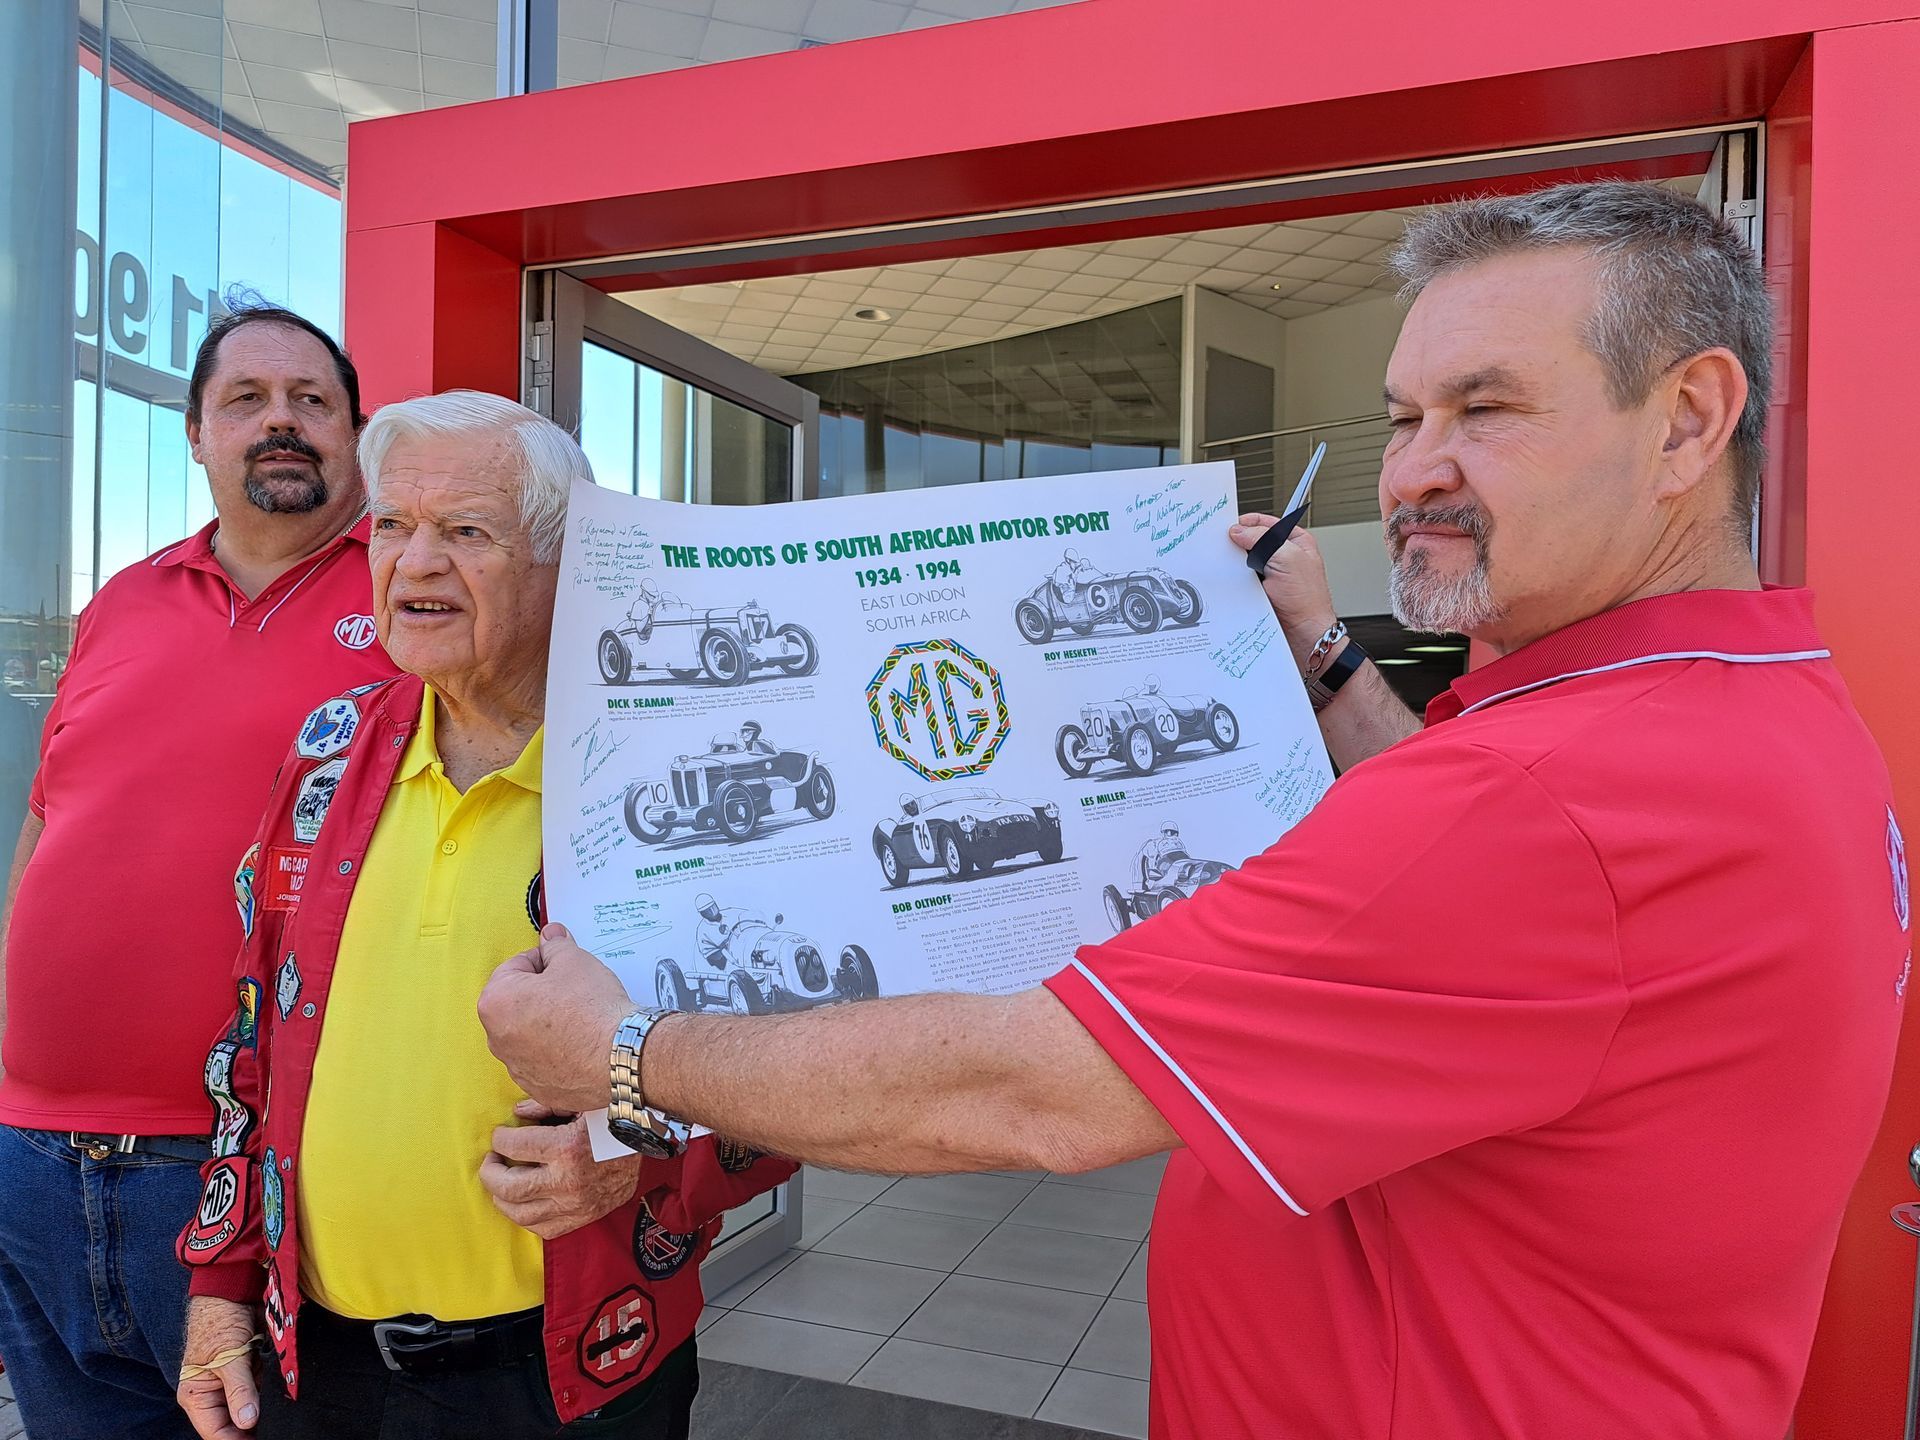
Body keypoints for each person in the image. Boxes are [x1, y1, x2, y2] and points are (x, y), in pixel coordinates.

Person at [477, 182, 1907, 1440]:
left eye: (1487, 409)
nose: (1412, 469)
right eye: (1404, 419)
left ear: (1690, 421)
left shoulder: (1552, 796)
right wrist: (1329, 660)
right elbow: (1514, 926)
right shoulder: (1757, 717)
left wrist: (626, 1055)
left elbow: (1028, 1090)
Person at [174, 391, 790, 1440]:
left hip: (565, 1372)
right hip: (313, 1362)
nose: (414, 565)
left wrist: (640, 1151)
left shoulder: (673, 775)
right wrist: (218, 1286)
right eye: (393, 527)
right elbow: (251, 1045)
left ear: (565, 562)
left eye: (466, 532)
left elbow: (793, 1060)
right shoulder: (329, 747)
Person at [0, 304, 397, 1440]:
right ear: (195, 435)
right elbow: (49, 821)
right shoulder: (123, 599)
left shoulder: (409, 600)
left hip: (250, 1179)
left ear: (354, 433)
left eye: (312, 402)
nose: (282, 423)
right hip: (31, 1156)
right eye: (247, 401)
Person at [1135, 823, 1186, 889]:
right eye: (1167, 832)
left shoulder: (1179, 843)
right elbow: (1147, 852)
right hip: (1164, 876)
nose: (1170, 834)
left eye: (1172, 832)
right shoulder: (1157, 843)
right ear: (1162, 833)